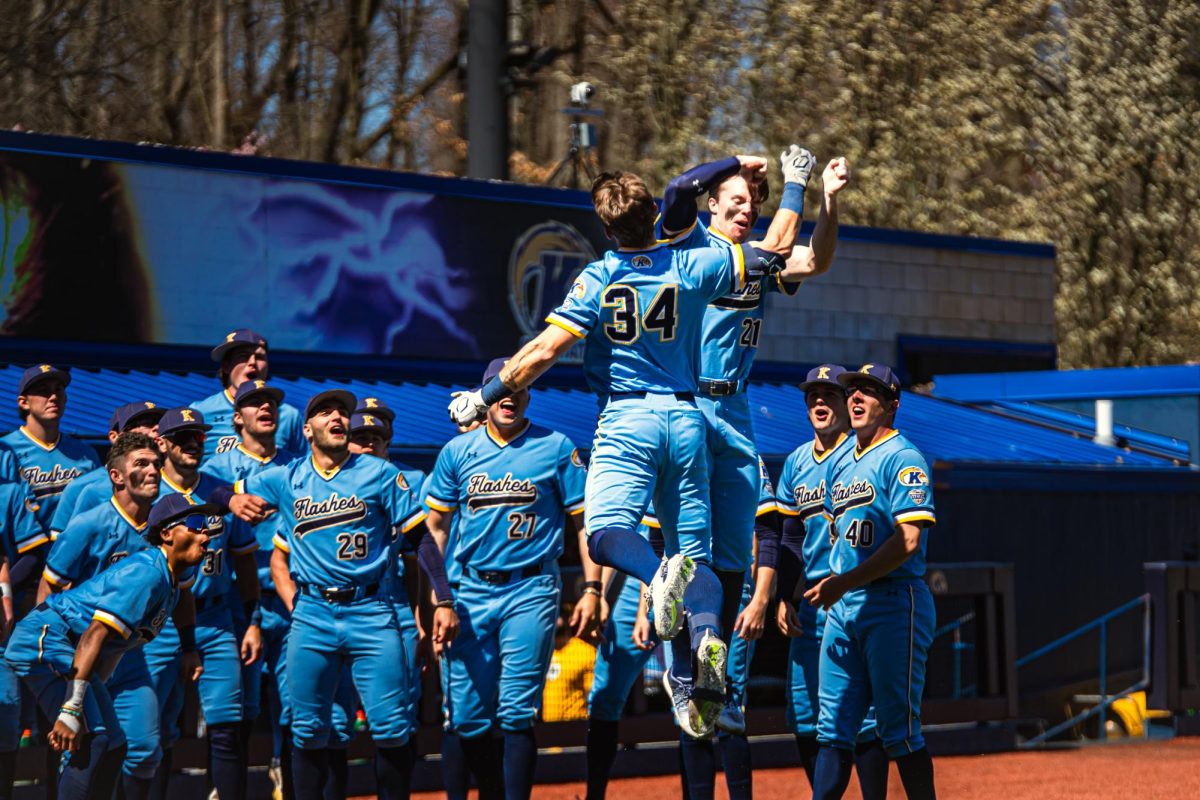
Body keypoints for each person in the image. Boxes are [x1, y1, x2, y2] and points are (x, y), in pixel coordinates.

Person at [448, 170, 797, 737]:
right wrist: (781, 185)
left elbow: (542, 352)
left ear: (606, 229)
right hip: (687, 419)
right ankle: (704, 644)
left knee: (605, 535)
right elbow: (769, 255)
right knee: (698, 559)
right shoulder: (690, 264)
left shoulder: (600, 276)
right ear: (650, 213)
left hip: (628, 416)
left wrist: (482, 396)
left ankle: (657, 577)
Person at [223, 389, 459, 800]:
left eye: (342, 412)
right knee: (309, 729)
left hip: (372, 609)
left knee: (389, 727)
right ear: (308, 428)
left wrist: (443, 600)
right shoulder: (288, 476)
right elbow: (205, 487)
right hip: (312, 611)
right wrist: (230, 498)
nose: (337, 416)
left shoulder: (380, 474)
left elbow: (421, 540)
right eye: (325, 411)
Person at [428, 357, 596, 800]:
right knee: (465, 714)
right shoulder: (457, 452)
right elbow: (436, 530)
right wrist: (438, 599)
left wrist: (593, 589)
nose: (508, 396)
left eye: (518, 387)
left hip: (531, 587)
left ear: (529, 393)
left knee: (516, 711)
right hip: (469, 590)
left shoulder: (556, 446)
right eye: (498, 389)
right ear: (484, 398)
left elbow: (585, 525)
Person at [3, 493, 213, 799]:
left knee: (115, 744)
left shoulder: (169, 584)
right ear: (167, 534)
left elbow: (113, 646)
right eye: (195, 524)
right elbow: (94, 635)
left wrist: (91, 690)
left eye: (208, 526)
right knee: (90, 738)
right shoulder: (148, 573)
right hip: (45, 640)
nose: (206, 533)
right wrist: (72, 707)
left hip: (65, 649)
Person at [39, 431, 200, 798]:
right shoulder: (89, 523)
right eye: (141, 464)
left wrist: (189, 646)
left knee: (143, 749)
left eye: (156, 464)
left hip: (129, 659)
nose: (153, 470)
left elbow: (185, 592)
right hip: (83, 657)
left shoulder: (168, 528)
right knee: (82, 751)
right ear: (116, 476)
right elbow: (49, 589)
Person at [803, 364, 938, 800]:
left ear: (892, 406)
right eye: (854, 390)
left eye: (871, 391)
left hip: (893, 602)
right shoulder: (842, 461)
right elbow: (831, 528)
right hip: (843, 607)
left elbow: (910, 540)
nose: (857, 397)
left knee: (899, 730)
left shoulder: (904, 458)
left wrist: (845, 581)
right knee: (833, 729)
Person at [774, 365, 888, 798]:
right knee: (804, 715)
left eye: (830, 396)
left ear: (847, 404)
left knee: (859, 719)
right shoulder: (797, 462)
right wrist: (784, 596)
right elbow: (789, 535)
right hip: (809, 603)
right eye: (812, 396)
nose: (820, 403)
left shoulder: (859, 455)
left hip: (852, 597)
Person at [203, 379, 303, 799]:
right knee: (237, 707)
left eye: (271, 402)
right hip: (235, 603)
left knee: (295, 702)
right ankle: (226, 788)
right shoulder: (217, 468)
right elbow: (195, 488)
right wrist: (232, 496)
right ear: (236, 417)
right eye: (253, 403)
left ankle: (286, 776)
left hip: (291, 598)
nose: (265, 407)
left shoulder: (298, 465)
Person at [0, 364, 100, 531]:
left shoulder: (85, 454)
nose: (53, 396)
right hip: (21, 554)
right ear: (24, 402)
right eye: (43, 390)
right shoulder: (5, 451)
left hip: (74, 553)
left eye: (58, 389)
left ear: (65, 399)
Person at [49, 401, 166, 540]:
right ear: (114, 436)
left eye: (159, 422)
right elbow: (64, 547)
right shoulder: (82, 488)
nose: (156, 428)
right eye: (144, 423)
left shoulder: (174, 481)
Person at [191, 329, 306, 457]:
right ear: (226, 365)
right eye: (243, 356)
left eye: (260, 357)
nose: (252, 362)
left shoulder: (289, 416)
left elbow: (304, 468)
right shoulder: (199, 413)